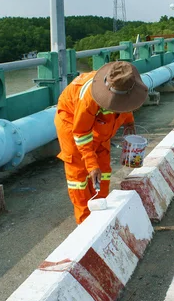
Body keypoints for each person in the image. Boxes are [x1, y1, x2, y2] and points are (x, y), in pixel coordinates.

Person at [54, 61, 149, 224]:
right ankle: (84, 221)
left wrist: (129, 122)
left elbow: (126, 105)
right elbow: (81, 132)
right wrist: (91, 165)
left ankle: (100, 210)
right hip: (72, 123)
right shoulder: (89, 98)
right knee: (79, 175)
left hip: (100, 124)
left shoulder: (125, 86)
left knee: (103, 167)